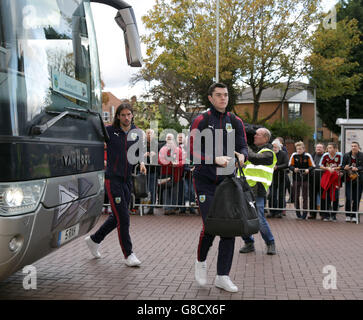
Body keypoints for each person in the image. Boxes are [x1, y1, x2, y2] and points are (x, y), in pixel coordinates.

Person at [190, 83, 248, 293]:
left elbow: (243, 146)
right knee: (211, 226)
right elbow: (192, 153)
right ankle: (201, 261)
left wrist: (243, 155)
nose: (223, 98)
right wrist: (214, 159)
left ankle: (222, 276)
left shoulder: (236, 121)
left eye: (225, 95)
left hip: (227, 182)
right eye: (219, 95)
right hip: (205, 181)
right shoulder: (201, 120)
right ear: (210, 98)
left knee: (228, 229)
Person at [85, 103, 146, 266]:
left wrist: (141, 162)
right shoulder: (109, 131)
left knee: (117, 217)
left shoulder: (137, 133)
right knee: (124, 218)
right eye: (123, 115)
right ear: (118, 116)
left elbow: (140, 152)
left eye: (129, 114)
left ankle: (94, 239)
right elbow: (93, 142)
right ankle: (129, 254)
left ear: (132, 115)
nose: (127, 117)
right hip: (113, 179)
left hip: (127, 180)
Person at [239, 128, 277, 255]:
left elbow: (254, 158)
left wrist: (243, 145)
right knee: (241, 217)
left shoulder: (269, 153)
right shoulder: (256, 151)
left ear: (266, 138)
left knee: (259, 219)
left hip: (257, 190)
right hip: (244, 188)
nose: (254, 136)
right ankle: (248, 242)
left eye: (258, 135)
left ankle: (270, 243)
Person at [158, 133, 185, 215]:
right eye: (169, 143)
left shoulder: (179, 150)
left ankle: (173, 208)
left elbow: (183, 160)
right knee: (166, 191)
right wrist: (170, 162)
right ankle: (166, 208)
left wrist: (177, 164)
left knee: (174, 192)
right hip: (165, 174)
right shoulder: (163, 150)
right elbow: (160, 160)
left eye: (172, 142)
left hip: (176, 175)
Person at [288, 141, 315, 220]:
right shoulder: (294, 155)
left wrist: (308, 170)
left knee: (305, 196)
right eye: (297, 149)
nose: (298, 150)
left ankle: (305, 213)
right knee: (296, 196)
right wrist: (293, 169)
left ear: (304, 149)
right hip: (296, 179)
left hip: (305, 179)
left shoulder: (307, 156)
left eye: (300, 149)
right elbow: (290, 165)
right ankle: (297, 212)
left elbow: (312, 166)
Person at [319, 142, 343, 222]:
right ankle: (326, 215)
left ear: (335, 149)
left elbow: (341, 165)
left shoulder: (339, 155)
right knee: (327, 197)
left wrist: (335, 169)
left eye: (331, 148)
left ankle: (334, 215)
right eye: (328, 148)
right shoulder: (325, 155)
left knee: (335, 197)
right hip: (327, 179)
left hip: (336, 179)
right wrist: (328, 168)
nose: (329, 149)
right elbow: (321, 165)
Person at [342, 141, 363, 223]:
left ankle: (354, 215)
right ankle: (347, 215)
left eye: (355, 146)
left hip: (359, 180)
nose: (353, 147)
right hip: (348, 179)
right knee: (349, 197)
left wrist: (358, 168)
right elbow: (342, 165)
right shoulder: (346, 155)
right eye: (352, 146)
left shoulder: (362, 155)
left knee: (356, 198)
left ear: (358, 147)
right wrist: (345, 167)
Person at [268, 139, 289, 218]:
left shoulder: (283, 154)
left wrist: (277, 167)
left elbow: (287, 163)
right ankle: (272, 211)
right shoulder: (270, 154)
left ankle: (279, 211)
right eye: (273, 147)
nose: (274, 148)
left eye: (276, 147)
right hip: (272, 177)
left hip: (282, 177)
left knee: (281, 195)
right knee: (272, 194)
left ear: (279, 147)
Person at [308, 143, 325, 219]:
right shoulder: (312, 156)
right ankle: (312, 214)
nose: (318, 149)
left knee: (323, 197)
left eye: (320, 147)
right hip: (313, 180)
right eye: (317, 147)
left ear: (323, 149)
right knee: (312, 197)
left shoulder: (325, 156)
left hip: (323, 180)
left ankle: (323, 214)